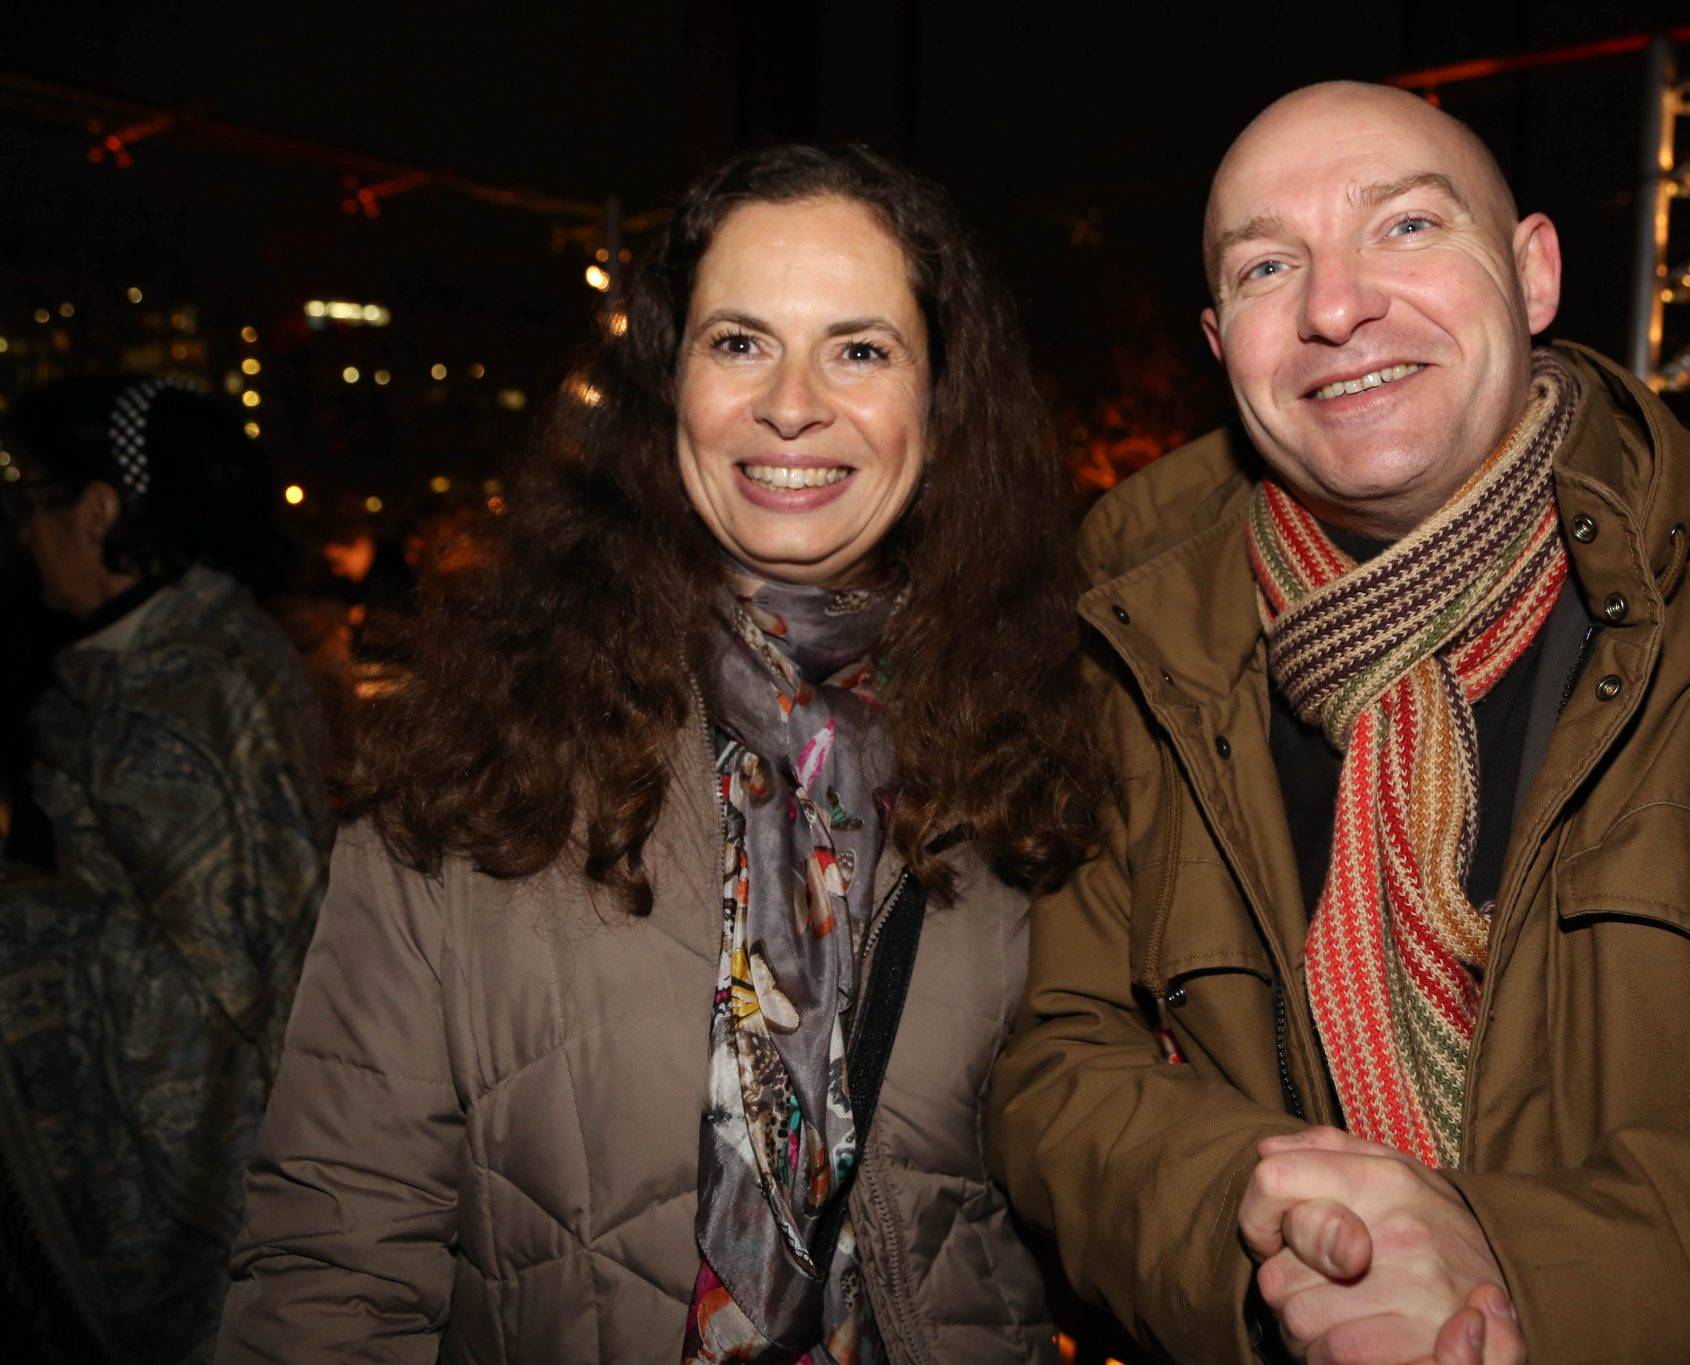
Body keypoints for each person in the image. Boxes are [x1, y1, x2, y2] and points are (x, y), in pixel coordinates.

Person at [988, 81, 1690, 1364]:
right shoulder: (1129, 663)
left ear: (1532, 273)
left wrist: (1524, 1270)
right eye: (1270, 266)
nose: (1335, 307)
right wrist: (1278, 1240)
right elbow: (1061, 1066)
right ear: (1222, 347)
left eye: (1406, 227)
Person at [216, 143, 1100, 1362]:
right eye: (739, 342)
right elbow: (333, 1257)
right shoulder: (483, 751)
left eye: (859, 348)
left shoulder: (1049, 747)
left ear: (942, 409)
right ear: (661, 388)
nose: (791, 402)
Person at [0, 377, 333, 1361]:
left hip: (217, 1187)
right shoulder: (204, 651)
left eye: (35, 501)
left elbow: (228, 989)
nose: (23, 533)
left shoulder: (165, 700)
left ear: (100, 511)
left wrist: (23, 921)